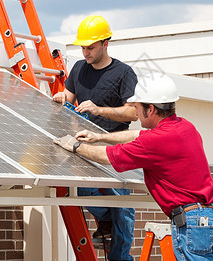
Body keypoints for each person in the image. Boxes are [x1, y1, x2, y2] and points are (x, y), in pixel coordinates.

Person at [54, 72, 213, 261]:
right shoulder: (185, 127)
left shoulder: (156, 141)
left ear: (151, 109)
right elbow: (137, 134)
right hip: (204, 218)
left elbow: (108, 156)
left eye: (137, 107)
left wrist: (75, 146)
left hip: (192, 223)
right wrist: (99, 137)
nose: (135, 113)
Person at [53, 15, 138, 261]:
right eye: (83, 47)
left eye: (90, 47)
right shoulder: (79, 69)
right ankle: (106, 220)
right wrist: (62, 99)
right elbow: (67, 98)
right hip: (85, 143)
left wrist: (99, 109)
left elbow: (133, 111)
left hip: (114, 146)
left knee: (121, 204)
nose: (85, 52)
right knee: (83, 191)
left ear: (105, 43)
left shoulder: (123, 73)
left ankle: (120, 257)